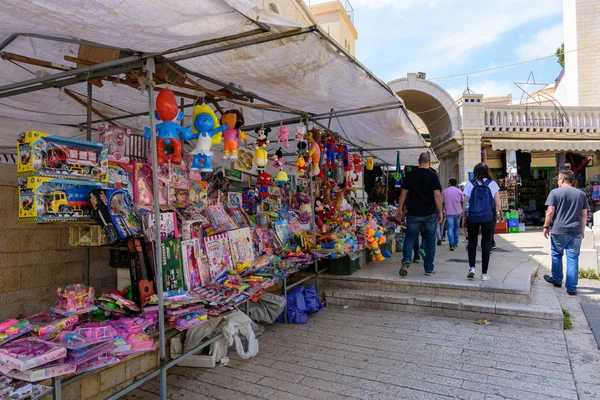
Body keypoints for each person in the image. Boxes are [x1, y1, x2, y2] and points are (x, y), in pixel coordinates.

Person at [396, 152, 443, 276]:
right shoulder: (433, 176)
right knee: (431, 239)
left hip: (413, 213)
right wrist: (441, 211)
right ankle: (428, 269)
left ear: (418, 161)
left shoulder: (410, 175)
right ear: (430, 163)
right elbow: (437, 195)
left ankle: (406, 258)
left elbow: (403, 195)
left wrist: (399, 209)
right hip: (429, 213)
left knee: (410, 237)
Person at [542, 170, 589, 295]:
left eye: (558, 179)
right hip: (575, 231)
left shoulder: (554, 193)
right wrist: (582, 230)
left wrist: (546, 226)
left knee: (557, 255)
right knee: (572, 258)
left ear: (562, 180)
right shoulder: (581, 194)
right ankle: (572, 288)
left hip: (558, 230)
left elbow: (550, 212)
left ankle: (557, 280)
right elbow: (585, 215)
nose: (558, 181)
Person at [462, 163, 502, 281]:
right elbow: (498, 204)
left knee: (472, 242)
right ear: (488, 171)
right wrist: (495, 213)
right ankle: (484, 273)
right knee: (486, 243)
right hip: (488, 218)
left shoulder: (470, 184)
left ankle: (472, 268)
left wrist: (464, 217)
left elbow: (465, 202)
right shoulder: (492, 184)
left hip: (473, 217)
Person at [442, 178, 464, 251]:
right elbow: (462, 201)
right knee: (456, 227)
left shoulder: (445, 191)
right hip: (458, 212)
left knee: (450, 228)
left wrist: (441, 211)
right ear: (456, 184)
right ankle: (455, 243)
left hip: (448, 212)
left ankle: (451, 244)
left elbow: (443, 202)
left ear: (449, 183)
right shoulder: (459, 191)